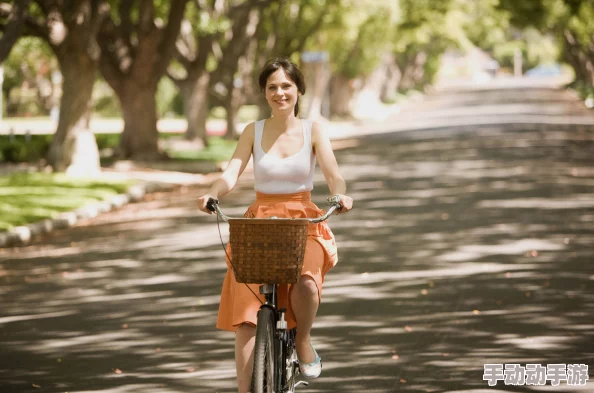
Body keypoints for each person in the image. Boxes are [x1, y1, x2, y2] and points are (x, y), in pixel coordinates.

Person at [197, 57, 353, 393]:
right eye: (272, 87)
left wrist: (340, 196)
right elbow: (230, 173)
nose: (279, 92)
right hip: (261, 222)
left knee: (307, 281)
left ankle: (303, 341)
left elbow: (333, 174)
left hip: (302, 220)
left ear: (299, 91)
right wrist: (212, 192)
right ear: (264, 92)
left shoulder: (313, 130)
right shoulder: (252, 131)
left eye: (286, 86)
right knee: (247, 311)